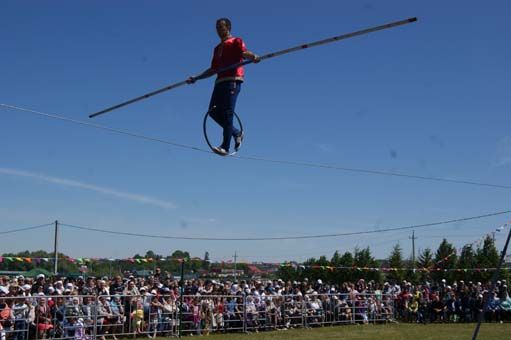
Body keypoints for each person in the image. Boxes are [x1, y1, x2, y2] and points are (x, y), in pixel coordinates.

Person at [187, 17, 260, 156]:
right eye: (217, 27)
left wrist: (253, 56)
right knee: (213, 112)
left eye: (221, 27)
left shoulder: (235, 41)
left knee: (227, 113)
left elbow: (244, 53)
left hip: (232, 80)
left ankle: (225, 147)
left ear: (228, 28)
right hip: (219, 82)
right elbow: (213, 69)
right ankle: (236, 133)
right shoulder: (217, 49)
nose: (219, 30)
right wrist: (196, 78)